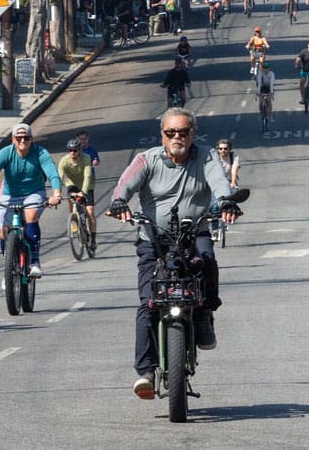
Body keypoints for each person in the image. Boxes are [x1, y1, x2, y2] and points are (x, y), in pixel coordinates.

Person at [108, 107, 239, 399]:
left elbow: (219, 183)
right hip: (154, 241)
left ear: (193, 134)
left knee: (207, 262)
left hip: (195, 234)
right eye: (170, 132)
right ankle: (146, 372)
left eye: (183, 132)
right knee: (148, 303)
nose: (177, 137)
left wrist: (226, 202)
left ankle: (204, 315)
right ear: (162, 135)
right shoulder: (147, 159)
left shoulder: (206, 157)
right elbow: (124, 185)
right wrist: (119, 202)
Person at [0, 123, 62, 278]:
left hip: (34, 192)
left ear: (31, 139)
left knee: (30, 214)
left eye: (26, 138)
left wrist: (57, 194)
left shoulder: (40, 153)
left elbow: (52, 173)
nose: (22, 141)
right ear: (13, 139)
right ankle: (9, 270)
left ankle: (34, 261)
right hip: (10, 194)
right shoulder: (6, 153)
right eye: (18, 138)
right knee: (3, 230)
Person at [59, 137, 97, 252]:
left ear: (80, 150)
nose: (72, 153)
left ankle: (93, 239)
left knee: (90, 212)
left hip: (87, 185)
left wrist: (84, 192)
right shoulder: (64, 161)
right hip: (72, 184)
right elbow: (59, 177)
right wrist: (57, 193)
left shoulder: (86, 158)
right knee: (71, 200)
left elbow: (88, 176)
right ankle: (74, 220)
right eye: (70, 150)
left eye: (75, 150)